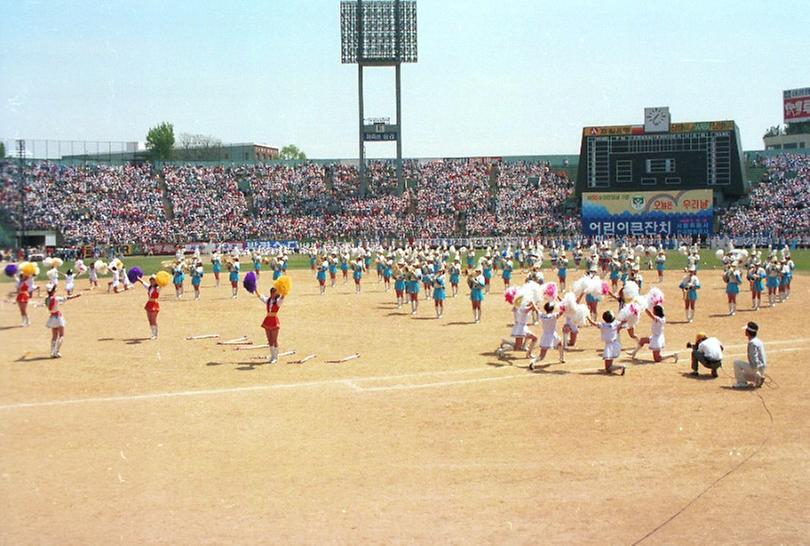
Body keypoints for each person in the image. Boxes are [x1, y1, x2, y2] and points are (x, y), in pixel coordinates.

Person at [44, 283, 80, 358]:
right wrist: (77, 295)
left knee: (54, 336)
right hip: (58, 318)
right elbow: (67, 298)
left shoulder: (46, 299)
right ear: (53, 291)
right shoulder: (56, 298)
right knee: (61, 336)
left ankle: (52, 352)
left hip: (52, 318)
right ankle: (56, 352)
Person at [587, 310, 626, 375]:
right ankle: (619, 367)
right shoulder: (616, 323)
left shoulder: (603, 325)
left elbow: (592, 323)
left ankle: (621, 367)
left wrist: (587, 317)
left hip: (609, 346)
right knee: (608, 368)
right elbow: (624, 323)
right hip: (616, 344)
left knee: (607, 368)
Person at [529, 301, 565, 369]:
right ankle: (561, 358)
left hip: (545, 336)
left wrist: (532, 303)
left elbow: (536, 309)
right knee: (560, 345)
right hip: (553, 335)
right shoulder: (554, 315)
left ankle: (533, 361)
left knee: (542, 355)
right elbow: (561, 312)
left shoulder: (542, 315)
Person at [733, 322, 767, 389]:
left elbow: (754, 357)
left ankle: (742, 383)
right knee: (743, 371)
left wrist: (756, 371)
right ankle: (758, 378)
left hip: (757, 369)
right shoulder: (759, 341)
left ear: (748, 332)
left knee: (736, 363)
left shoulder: (752, 343)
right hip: (762, 368)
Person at [256, 286, 283, 363]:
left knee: (274, 340)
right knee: (269, 340)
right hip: (268, 320)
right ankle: (272, 356)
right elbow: (260, 296)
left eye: (275, 293)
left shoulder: (278, 301)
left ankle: (276, 357)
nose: (274, 294)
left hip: (274, 320)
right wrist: (255, 289)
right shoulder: (268, 300)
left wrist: (284, 289)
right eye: (273, 293)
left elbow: (283, 297)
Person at [137, 275, 161, 339]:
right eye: (151, 280)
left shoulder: (158, 288)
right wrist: (139, 279)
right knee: (150, 320)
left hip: (154, 304)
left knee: (153, 320)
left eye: (153, 280)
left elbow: (162, 284)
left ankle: (155, 334)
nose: (152, 281)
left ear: (156, 281)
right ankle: (153, 333)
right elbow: (143, 283)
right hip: (149, 304)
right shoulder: (149, 287)